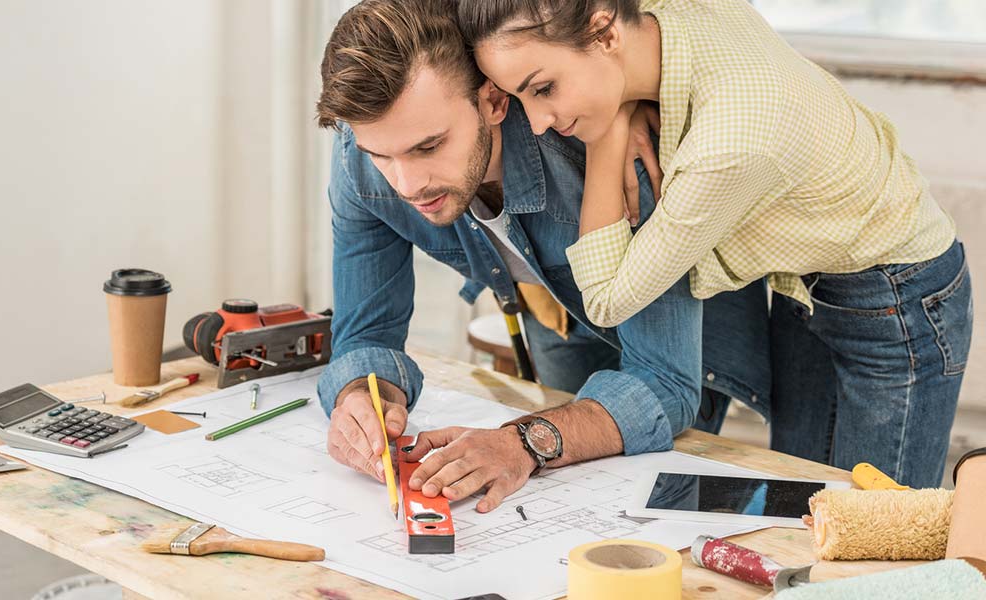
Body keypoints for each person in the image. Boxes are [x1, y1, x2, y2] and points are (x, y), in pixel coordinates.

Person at [458, 0, 972, 487]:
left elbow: (605, 299)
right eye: (521, 98)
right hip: (807, 283)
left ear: (605, 32)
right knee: (806, 508)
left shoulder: (729, 141)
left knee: (884, 543)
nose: (541, 122)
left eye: (544, 89)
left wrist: (610, 130)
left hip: (898, 301)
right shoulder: (665, 18)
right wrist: (626, 97)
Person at [314, 0, 772, 513]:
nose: (407, 184)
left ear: (492, 101)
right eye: (382, 155)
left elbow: (664, 382)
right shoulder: (365, 150)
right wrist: (360, 394)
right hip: (552, 311)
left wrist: (523, 442)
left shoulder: (604, 151)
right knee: (573, 509)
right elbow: (365, 334)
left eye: (429, 147)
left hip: (701, 330)